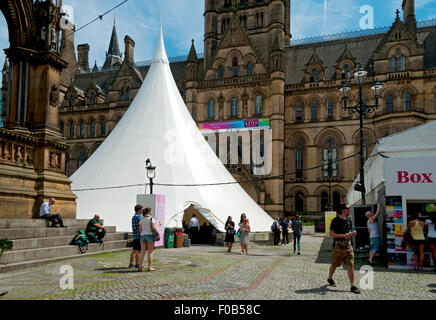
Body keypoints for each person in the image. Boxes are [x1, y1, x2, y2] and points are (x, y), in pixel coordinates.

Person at [327, 203, 360, 294]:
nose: (349, 209)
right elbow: (331, 233)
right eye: (348, 208)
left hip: (348, 247)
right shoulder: (335, 220)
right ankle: (330, 278)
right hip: (338, 247)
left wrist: (352, 233)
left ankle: (352, 285)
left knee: (350, 265)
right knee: (334, 265)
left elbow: (349, 231)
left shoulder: (349, 220)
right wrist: (343, 235)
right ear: (342, 210)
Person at [138, 207, 157, 272]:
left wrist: (143, 233)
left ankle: (140, 267)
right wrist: (156, 229)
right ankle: (150, 267)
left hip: (143, 236)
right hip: (150, 235)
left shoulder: (141, 219)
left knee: (142, 251)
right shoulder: (151, 218)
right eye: (151, 211)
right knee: (150, 252)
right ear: (149, 212)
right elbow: (154, 228)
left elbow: (140, 230)